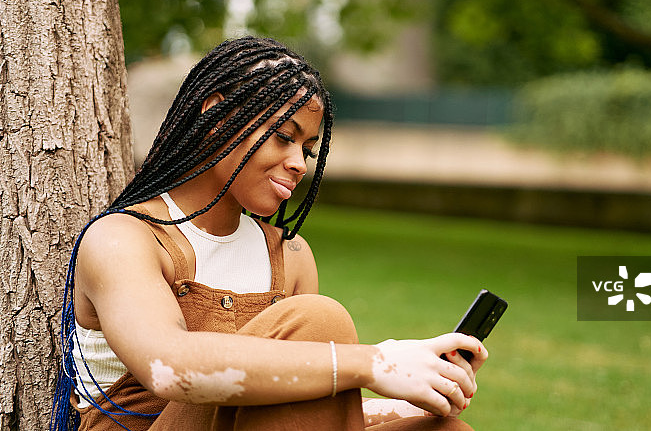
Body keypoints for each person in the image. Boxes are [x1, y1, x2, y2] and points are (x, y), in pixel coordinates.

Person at [51, 37, 488, 431]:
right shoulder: (123, 238)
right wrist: (373, 363)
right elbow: (168, 366)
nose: (300, 163)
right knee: (319, 320)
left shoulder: (291, 255)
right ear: (216, 112)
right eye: (283, 136)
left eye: (308, 149)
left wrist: (412, 386)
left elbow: (298, 405)